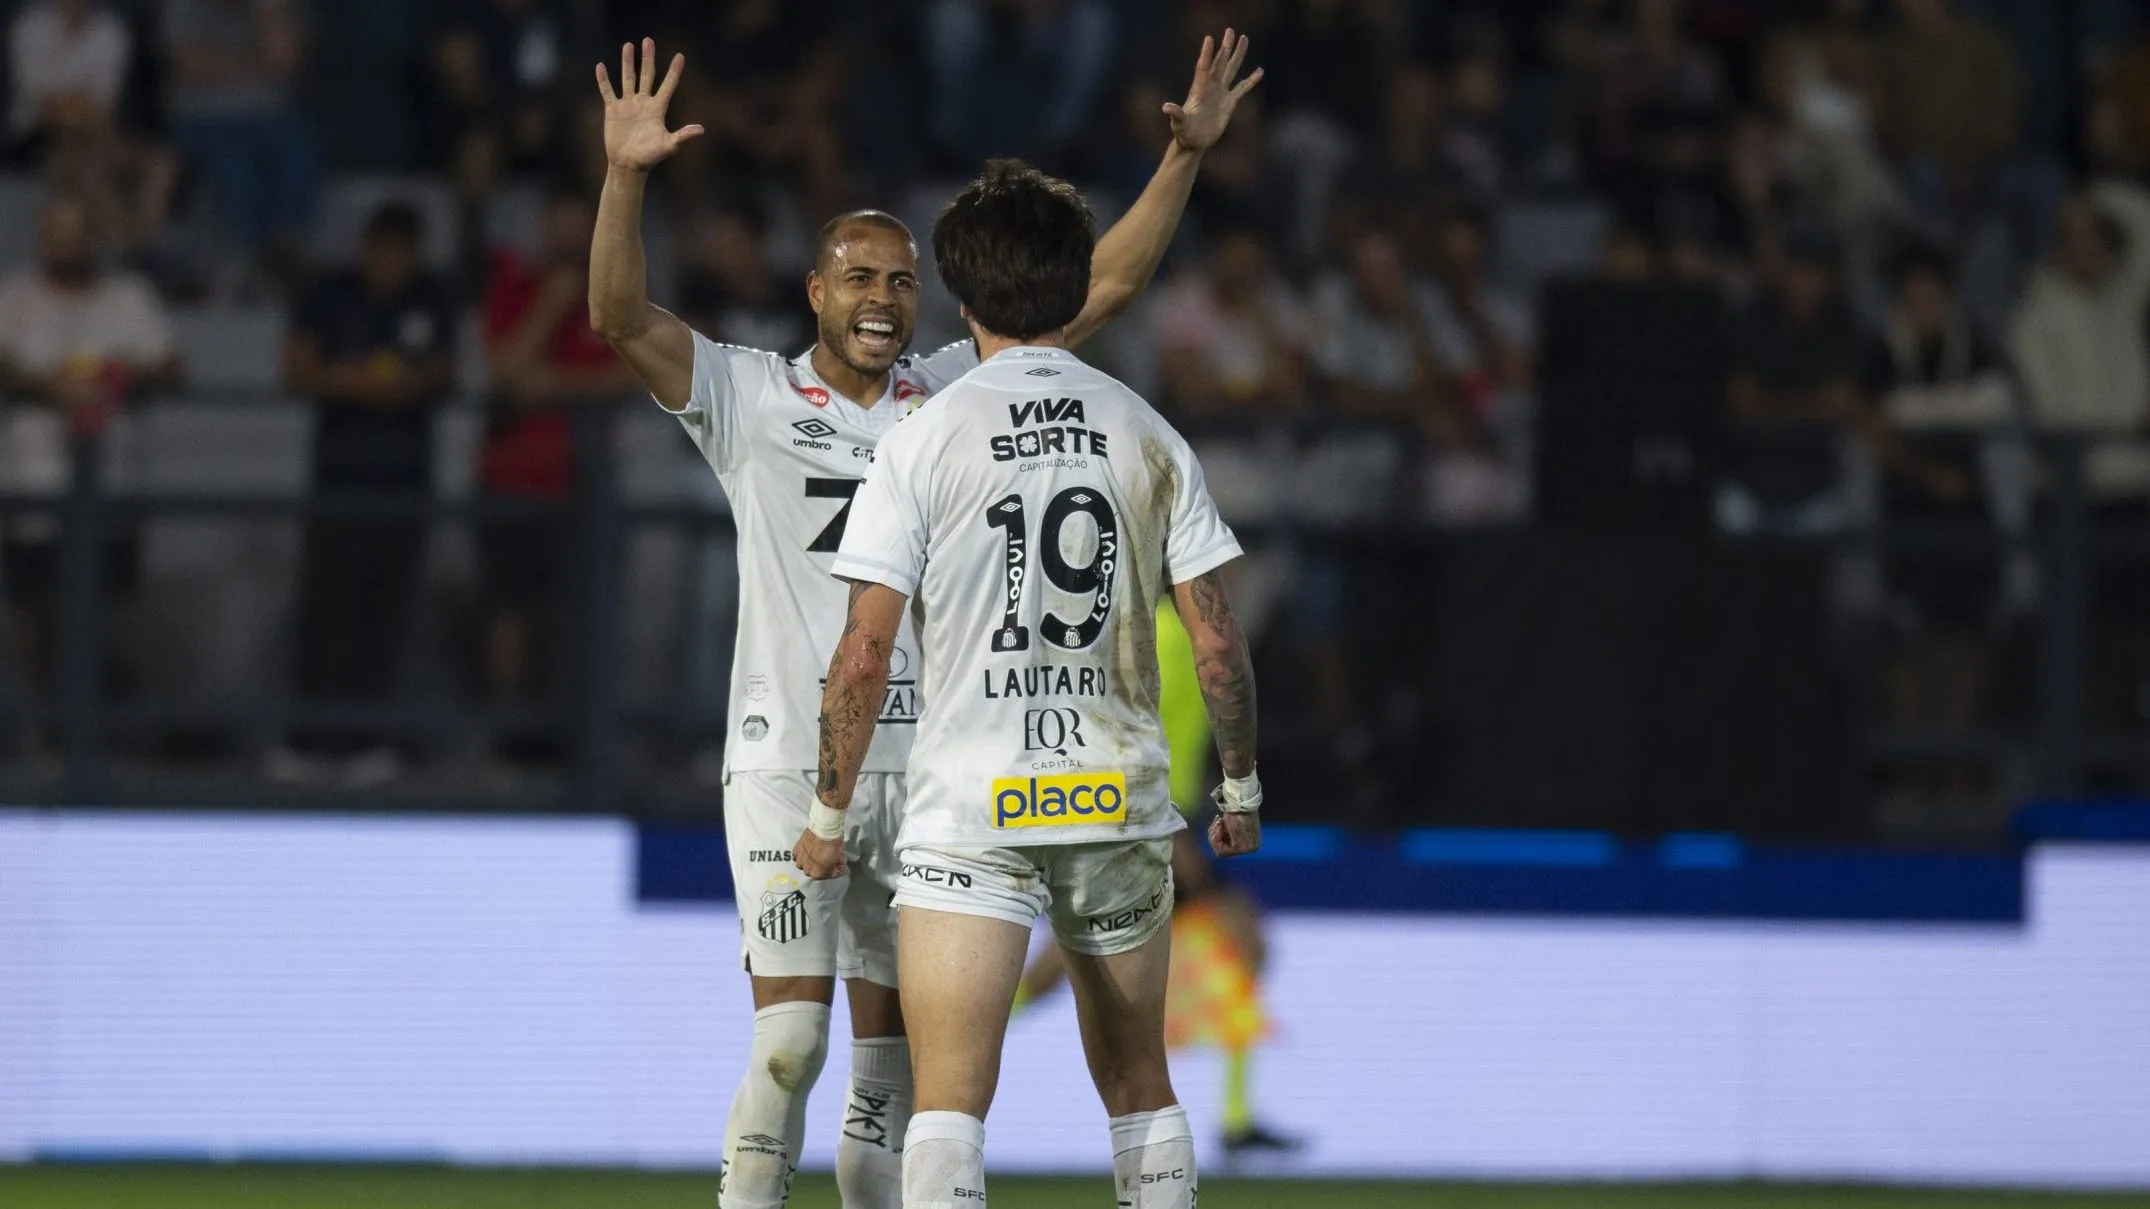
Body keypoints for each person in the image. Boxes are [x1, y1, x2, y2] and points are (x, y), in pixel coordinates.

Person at [585, 33, 1259, 1209]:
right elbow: (614, 316)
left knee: (892, 1084)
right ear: (813, 291)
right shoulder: (744, 393)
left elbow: (1090, 289)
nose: (881, 298)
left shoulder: (950, 397)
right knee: (791, 1048)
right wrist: (626, 175)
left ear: (931, 296)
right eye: (857, 276)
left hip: (932, 767)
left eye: (901, 279)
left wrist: (1180, 161)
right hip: (789, 753)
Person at [797, 158, 1264, 1209]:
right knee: (1139, 1083)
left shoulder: (923, 438)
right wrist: (1236, 788)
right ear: (1073, 285)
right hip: (1112, 792)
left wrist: (827, 811)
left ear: (960, 299)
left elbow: (863, 651)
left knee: (950, 1101)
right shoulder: (1147, 431)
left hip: (971, 796)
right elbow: (1217, 641)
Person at [1012, 600, 1297, 1157]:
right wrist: (1169, 828)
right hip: (1145, 814)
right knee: (1074, 961)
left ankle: (1238, 1122)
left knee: (1241, 945)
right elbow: (1129, 734)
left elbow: (1187, 733)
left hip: (1172, 812)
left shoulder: (1186, 634)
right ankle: (950, 1034)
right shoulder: (1158, 636)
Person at [270, 203, 457, 786]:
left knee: (384, 613)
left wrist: (374, 383)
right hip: (337, 481)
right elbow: (298, 371)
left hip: (403, 484)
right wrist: (368, 383)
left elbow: (441, 375)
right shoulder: (331, 292)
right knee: (325, 612)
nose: (389, 262)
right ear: (366, 247)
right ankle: (307, 739)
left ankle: (368, 740)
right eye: (381, 248)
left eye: (402, 251)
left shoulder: (431, 295)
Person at [0, 193, 180, 737]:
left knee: (102, 613)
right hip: (30, 479)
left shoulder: (128, 297)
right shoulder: (14, 295)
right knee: (34, 610)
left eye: (74, 232)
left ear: (93, 237)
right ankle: (41, 737)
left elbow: (171, 369)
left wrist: (116, 377)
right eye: (53, 233)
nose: (63, 244)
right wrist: (44, 385)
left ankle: (97, 736)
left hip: (109, 483)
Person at [478, 186, 639, 760]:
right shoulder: (514, 282)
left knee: (580, 614)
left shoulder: (617, 294)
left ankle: (576, 741)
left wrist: (554, 386)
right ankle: (510, 739)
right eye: (562, 225)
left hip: (587, 483)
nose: (571, 238)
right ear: (545, 226)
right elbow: (504, 373)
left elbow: (629, 377)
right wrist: (551, 305)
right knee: (512, 608)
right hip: (512, 476)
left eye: (582, 226)